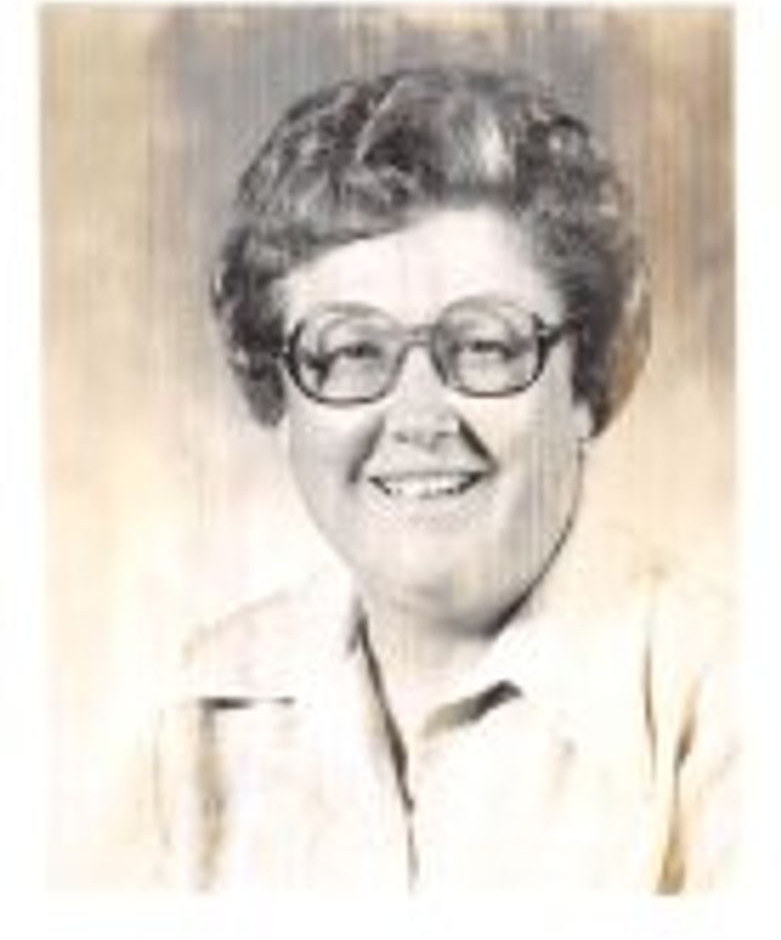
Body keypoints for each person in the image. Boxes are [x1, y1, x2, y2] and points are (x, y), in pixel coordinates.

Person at [153, 65, 737, 891]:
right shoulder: (202, 708)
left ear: (586, 383)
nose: (420, 416)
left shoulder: (728, 694)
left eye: (485, 346)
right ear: (281, 403)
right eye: (353, 351)